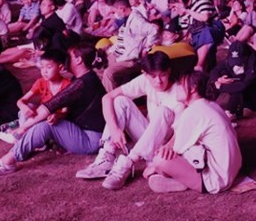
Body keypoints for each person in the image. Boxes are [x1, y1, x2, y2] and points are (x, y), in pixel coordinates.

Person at [0, 43, 108, 178]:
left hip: (91, 140)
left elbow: (49, 106)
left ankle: (6, 163)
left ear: (78, 60)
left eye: (69, 56)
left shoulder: (83, 83)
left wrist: (22, 129)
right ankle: (17, 152)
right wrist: (58, 116)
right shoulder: (83, 79)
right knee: (45, 120)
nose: (66, 59)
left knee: (45, 125)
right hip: (85, 132)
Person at [75, 51, 185, 190]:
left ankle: (127, 163)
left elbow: (182, 131)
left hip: (164, 148)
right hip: (147, 138)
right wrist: (114, 130)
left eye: (163, 75)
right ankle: (106, 158)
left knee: (164, 111)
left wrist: (167, 149)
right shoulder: (145, 80)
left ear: (169, 71)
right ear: (145, 74)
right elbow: (107, 98)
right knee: (119, 100)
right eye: (153, 76)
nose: (158, 81)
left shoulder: (179, 93)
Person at [146, 70, 242, 193]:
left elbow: (175, 150)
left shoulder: (193, 111)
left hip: (216, 180)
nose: (176, 88)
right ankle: (185, 180)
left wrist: (154, 166)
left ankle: (185, 182)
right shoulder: (210, 104)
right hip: (233, 170)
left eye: (180, 84)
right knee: (182, 148)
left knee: (160, 160)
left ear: (193, 88)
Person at [210, 40, 256, 120]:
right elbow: (215, 70)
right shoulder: (229, 59)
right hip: (244, 88)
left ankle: (231, 112)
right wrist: (218, 79)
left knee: (237, 86)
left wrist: (220, 87)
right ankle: (212, 105)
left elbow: (244, 85)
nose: (236, 63)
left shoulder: (255, 62)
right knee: (222, 74)